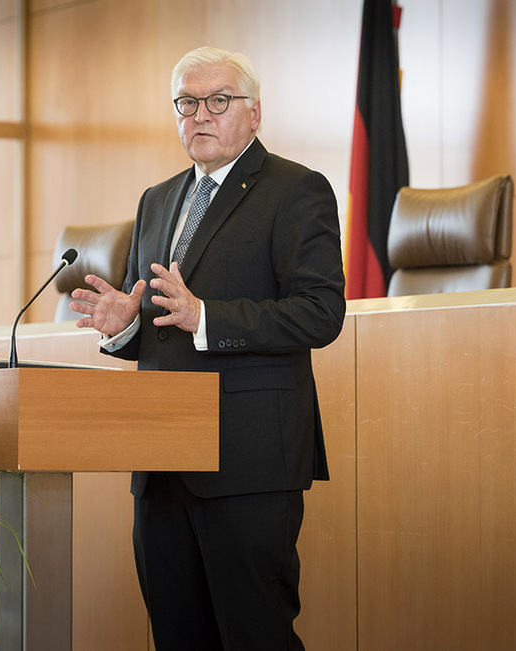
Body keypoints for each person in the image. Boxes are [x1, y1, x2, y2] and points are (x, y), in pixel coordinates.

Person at [70, 47, 346, 649]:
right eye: (187, 103)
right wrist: (125, 324)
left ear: (254, 114)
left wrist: (207, 317)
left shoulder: (296, 190)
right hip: (162, 459)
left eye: (218, 101)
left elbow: (321, 313)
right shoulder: (157, 198)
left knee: (254, 634)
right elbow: (161, 320)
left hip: (247, 459)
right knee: (177, 634)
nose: (201, 115)